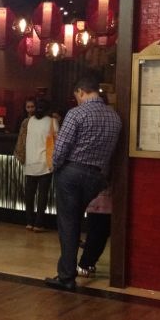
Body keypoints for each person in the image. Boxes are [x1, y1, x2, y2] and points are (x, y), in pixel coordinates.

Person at [45, 73, 121, 291]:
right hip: (97, 177)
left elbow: (61, 148)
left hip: (72, 174)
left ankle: (66, 276)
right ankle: (70, 270)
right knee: (76, 221)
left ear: (80, 92)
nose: (77, 99)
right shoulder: (114, 116)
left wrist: (55, 166)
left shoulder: (76, 113)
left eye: (76, 95)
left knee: (68, 225)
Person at [22, 98, 57, 232]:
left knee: (29, 195)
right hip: (45, 163)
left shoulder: (29, 121)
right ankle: (38, 223)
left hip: (30, 161)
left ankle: (29, 222)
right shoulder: (52, 122)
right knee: (42, 195)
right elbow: (58, 141)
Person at [77, 186, 112, 277]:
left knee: (100, 236)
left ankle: (89, 263)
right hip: (98, 201)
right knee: (95, 236)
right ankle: (84, 264)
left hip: (105, 200)